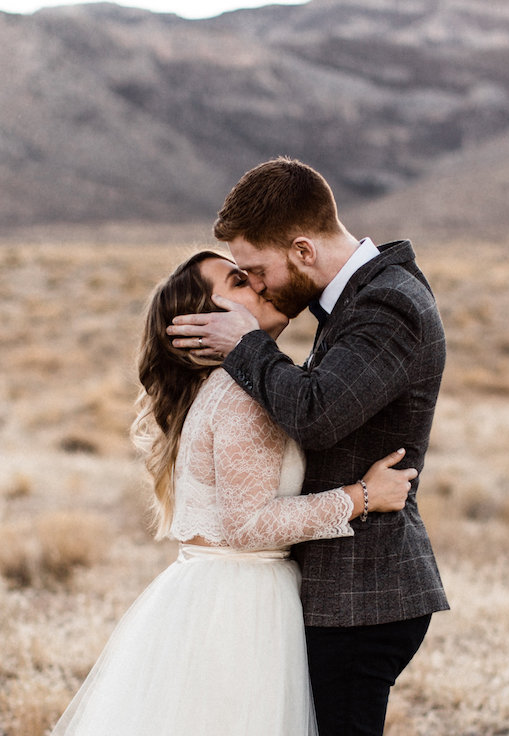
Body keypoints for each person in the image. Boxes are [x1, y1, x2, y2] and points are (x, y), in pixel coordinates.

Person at [50, 250, 419, 736]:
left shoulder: (222, 387)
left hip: (209, 593)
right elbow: (249, 526)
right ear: (208, 320)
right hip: (241, 607)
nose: (263, 286)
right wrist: (361, 497)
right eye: (241, 281)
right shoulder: (244, 397)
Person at [168, 157, 449, 736]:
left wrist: (246, 345)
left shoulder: (385, 303)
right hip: (342, 589)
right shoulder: (352, 301)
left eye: (256, 269)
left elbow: (317, 415)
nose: (258, 285)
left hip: (363, 593)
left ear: (301, 249)